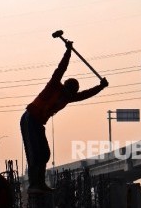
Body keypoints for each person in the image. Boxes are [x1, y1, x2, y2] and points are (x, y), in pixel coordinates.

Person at [20, 41, 109, 193]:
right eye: (69, 90)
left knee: (45, 153)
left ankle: (39, 183)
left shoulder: (69, 97)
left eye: (72, 93)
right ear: (65, 86)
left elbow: (85, 95)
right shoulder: (54, 85)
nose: (70, 94)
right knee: (35, 153)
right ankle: (34, 184)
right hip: (29, 119)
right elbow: (61, 68)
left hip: (38, 123)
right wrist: (68, 52)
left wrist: (100, 87)